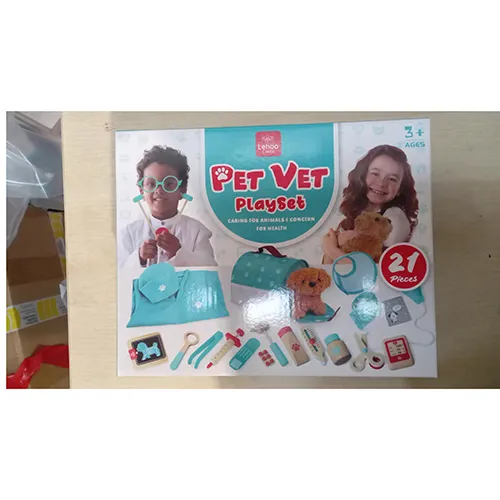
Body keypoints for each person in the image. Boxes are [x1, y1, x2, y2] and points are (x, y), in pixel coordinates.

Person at [118, 145, 217, 268]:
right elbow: (118, 272)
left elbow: (210, 269)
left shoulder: (197, 231)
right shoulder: (129, 233)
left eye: (169, 184)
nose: (159, 190)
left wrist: (179, 252)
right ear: (141, 191)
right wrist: (140, 257)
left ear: (182, 190)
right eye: (151, 184)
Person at [322, 144, 419, 264]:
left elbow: (375, 269)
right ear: (362, 175)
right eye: (375, 174)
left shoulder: (394, 219)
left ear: (400, 188)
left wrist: (331, 249)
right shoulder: (356, 215)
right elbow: (327, 267)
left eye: (392, 179)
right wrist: (333, 245)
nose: (381, 183)